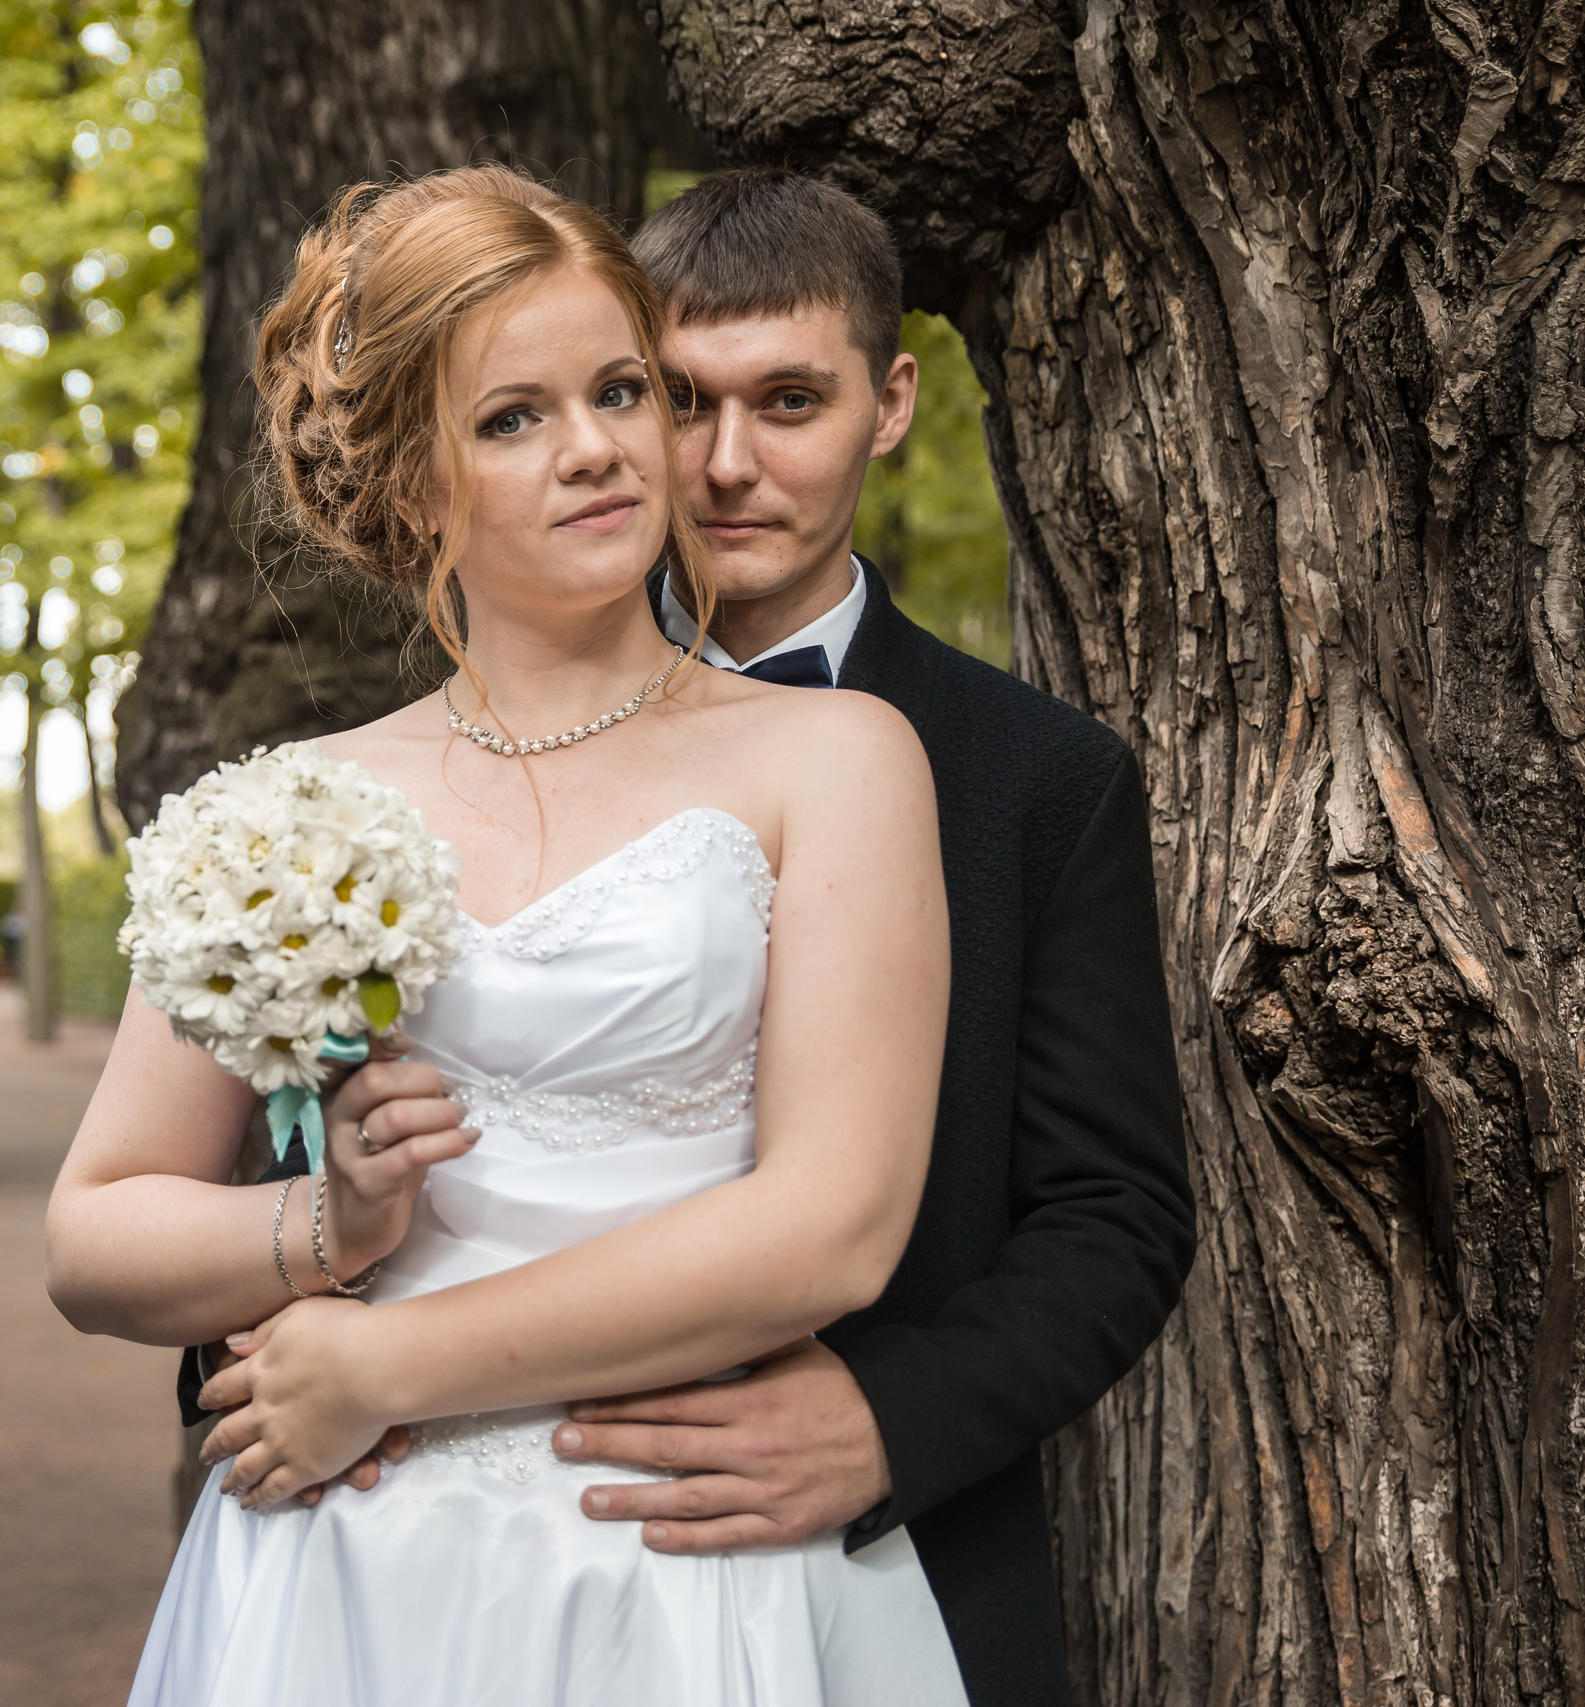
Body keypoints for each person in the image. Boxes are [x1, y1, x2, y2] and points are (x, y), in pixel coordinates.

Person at [45, 165, 967, 1704]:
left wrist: (384, 1365)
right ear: (416, 483)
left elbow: (831, 1228)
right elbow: (95, 1233)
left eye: (621, 389)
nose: (600, 448)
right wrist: (328, 1227)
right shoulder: (291, 815)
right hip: (346, 1572)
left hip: (679, 1560)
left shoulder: (837, 759)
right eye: (513, 417)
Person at [543, 168, 1194, 1706]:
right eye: (679, 401)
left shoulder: (1039, 778)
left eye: (788, 401)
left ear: (890, 402)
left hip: (877, 1563)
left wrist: (889, 1423)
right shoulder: (489, 738)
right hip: (504, 1528)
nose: (723, 465)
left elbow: (1115, 1213)